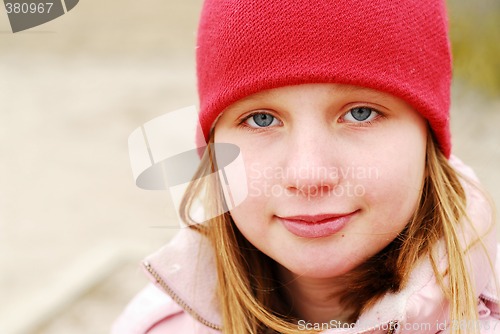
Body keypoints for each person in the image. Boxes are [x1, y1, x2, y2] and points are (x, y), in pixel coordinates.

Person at [113, 0, 500, 333]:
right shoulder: (155, 324)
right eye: (261, 119)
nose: (308, 175)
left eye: (360, 113)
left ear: (428, 137)